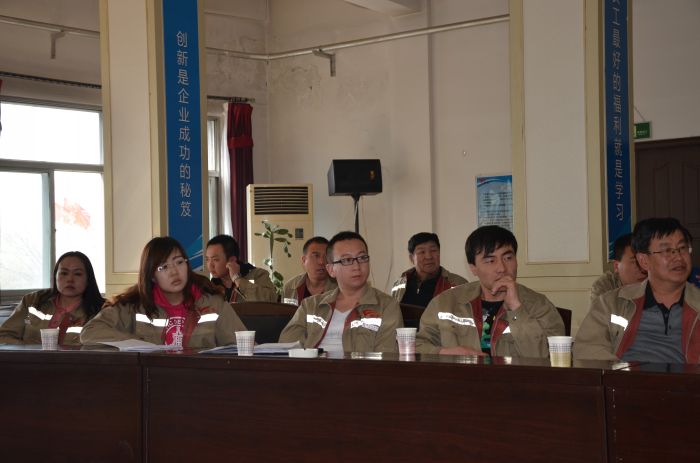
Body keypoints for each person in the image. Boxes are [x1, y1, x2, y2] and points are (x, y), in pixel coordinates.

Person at [416, 225, 564, 357]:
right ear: (473, 268)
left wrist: (516, 308)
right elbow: (416, 346)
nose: (502, 268)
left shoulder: (539, 305)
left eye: (508, 258)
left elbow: (548, 358)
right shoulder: (445, 303)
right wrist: (446, 353)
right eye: (490, 261)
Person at [81, 237, 246, 348]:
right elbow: (90, 332)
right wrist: (136, 344)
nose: (174, 272)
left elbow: (244, 345)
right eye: (163, 267)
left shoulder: (213, 304)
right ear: (152, 275)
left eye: (179, 262)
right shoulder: (134, 306)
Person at [574, 218, 700, 362]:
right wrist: (622, 371)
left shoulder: (696, 304)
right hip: (623, 374)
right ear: (644, 261)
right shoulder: (612, 304)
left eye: (682, 248)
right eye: (667, 250)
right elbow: (588, 350)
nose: (678, 257)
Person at [279, 231, 403, 355]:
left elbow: (386, 357)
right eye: (347, 260)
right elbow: (286, 346)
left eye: (362, 258)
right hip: (311, 365)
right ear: (331, 270)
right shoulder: (310, 306)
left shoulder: (387, 306)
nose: (357, 266)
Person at [0, 251, 104, 345]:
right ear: (55, 276)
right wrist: (32, 349)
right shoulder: (32, 300)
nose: (70, 279)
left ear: (88, 279)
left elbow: (102, 348)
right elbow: (4, 337)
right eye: (64, 273)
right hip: (29, 359)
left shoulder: (102, 310)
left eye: (77, 274)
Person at [390, 232, 468, 307]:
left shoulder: (459, 284)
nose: (428, 256)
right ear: (411, 258)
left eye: (433, 250)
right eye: (422, 252)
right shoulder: (399, 284)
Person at [205, 234, 277, 303]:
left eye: (215, 259)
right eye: (207, 259)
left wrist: (237, 279)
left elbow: (270, 300)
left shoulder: (257, 274)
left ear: (232, 260)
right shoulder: (211, 285)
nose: (210, 265)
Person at [590, 233, 647, 300]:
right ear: (617, 266)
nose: (643, 268)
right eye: (635, 262)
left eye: (646, 260)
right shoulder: (604, 286)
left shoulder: (655, 279)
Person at [281, 236, 337, 305]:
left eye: (326, 257)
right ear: (304, 260)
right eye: (316, 256)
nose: (321, 262)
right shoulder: (289, 287)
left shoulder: (340, 288)